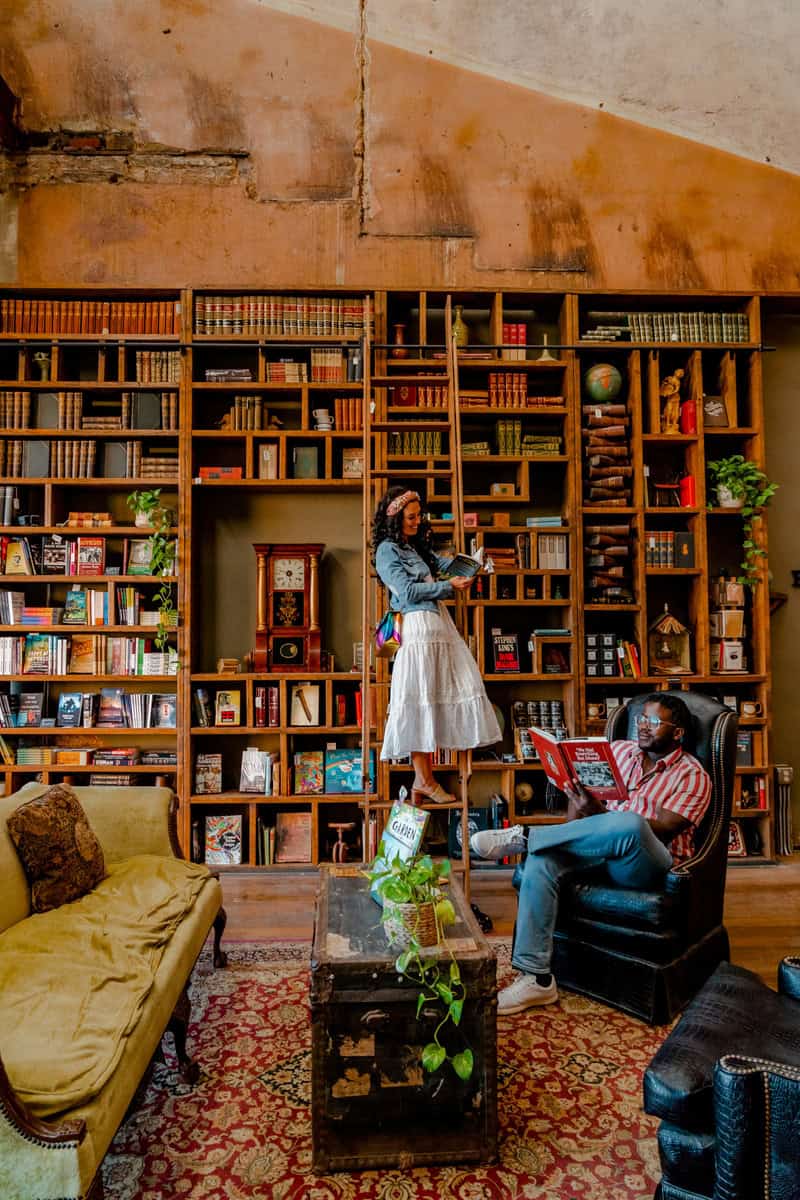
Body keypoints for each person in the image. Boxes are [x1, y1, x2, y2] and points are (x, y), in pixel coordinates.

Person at [470, 693, 711, 1015]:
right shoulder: (621, 752)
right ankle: (536, 979)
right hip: (597, 849)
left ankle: (527, 836)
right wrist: (578, 797)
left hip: (645, 863)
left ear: (678, 732)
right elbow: (578, 811)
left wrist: (601, 813)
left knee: (630, 823)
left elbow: (664, 830)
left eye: (653, 722)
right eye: (641, 719)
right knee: (544, 860)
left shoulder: (693, 774)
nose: (642, 727)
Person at [372, 486, 501, 804]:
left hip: (437, 626)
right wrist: (448, 587)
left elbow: (442, 566)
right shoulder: (388, 550)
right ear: (395, 518)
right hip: (417, 628)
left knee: (438, 694)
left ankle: (424, 778)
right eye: (411, 517)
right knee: (418, 698)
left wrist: (471, 567)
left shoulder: (413, 547)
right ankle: (424, 779)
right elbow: (406, 591)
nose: (417, 522)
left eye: (419, 516)